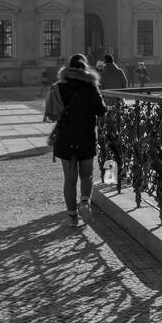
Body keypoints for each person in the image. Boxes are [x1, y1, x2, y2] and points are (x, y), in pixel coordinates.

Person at [44, 54, 107, 227]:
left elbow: (51, 114)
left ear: (69, 68)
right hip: (86, 136)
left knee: (69, 179)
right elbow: (102, 110)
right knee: (86, 175)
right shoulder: (91, 86)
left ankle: (72, 217)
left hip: (65, 138)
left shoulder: (57, 88)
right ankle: (85, 202)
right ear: (85, 68)